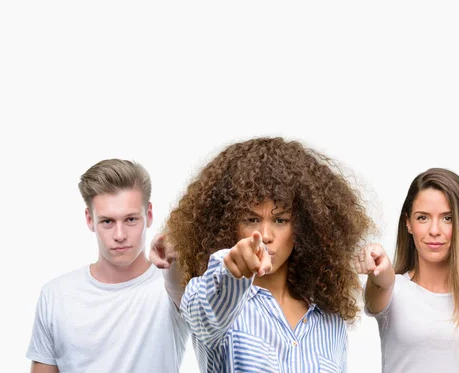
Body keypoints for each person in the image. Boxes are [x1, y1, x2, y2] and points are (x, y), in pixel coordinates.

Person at [153, 137, 374, 372]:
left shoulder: (329, 320)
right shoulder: (209, 299)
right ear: (228, 225)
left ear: (304, 228)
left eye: (280, 220)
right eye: (251, 219)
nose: (265, 235)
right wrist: (231, 271)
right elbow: (207, 309)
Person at [26, 159, 188, 373]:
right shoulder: (56, 295)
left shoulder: (172, 287)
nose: (119, 236)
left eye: (130, 219)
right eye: (107, 222)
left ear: (148, 215)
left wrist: (177, 256)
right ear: (89, 219)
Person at [356, 167, 459, 373]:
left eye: (447, 218)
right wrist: (379, 263)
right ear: (408, 223)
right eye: (423, 217)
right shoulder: (394, 291)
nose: (434, 230)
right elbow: (381, 283)